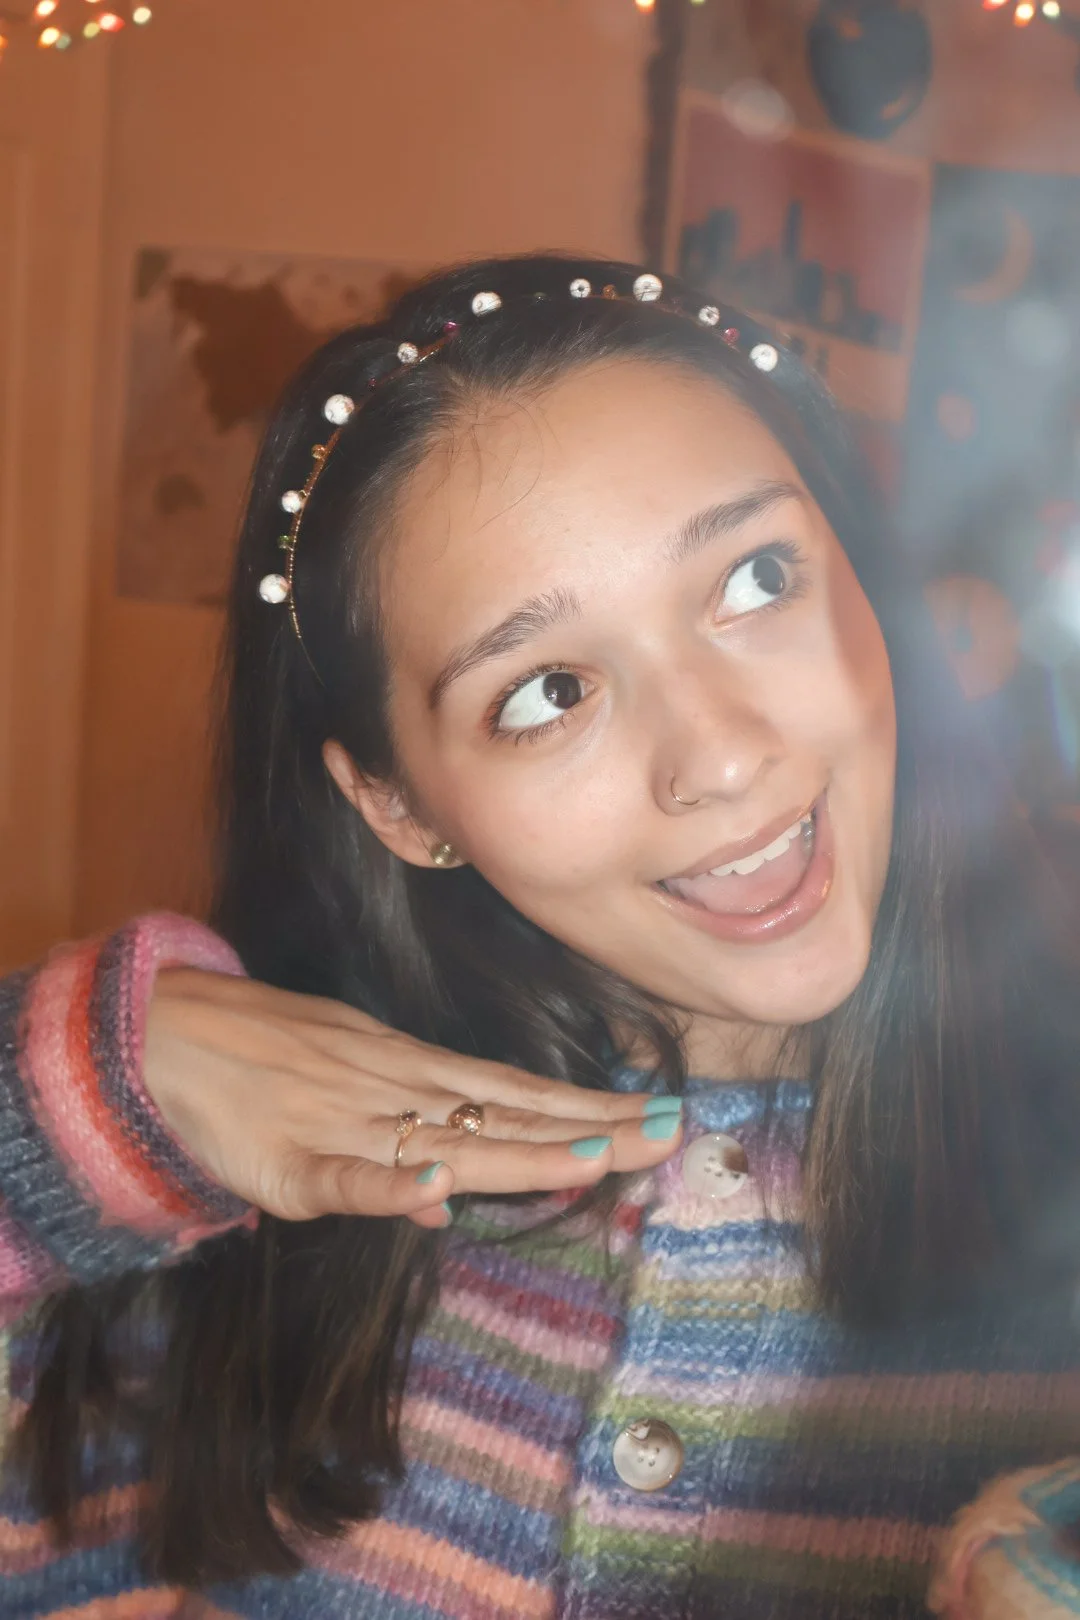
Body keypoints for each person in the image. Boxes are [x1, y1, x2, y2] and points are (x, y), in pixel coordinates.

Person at [1, 252, 1079, 1620]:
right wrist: (67, 1106)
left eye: (759, 578)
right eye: (549, 691)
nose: (721, 756)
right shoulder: (279, 1218)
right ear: (399, 807)